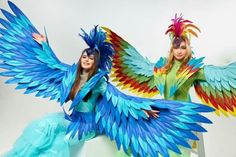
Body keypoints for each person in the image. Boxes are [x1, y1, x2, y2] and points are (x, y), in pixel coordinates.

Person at [0, 2, 214, 157]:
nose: (86, 59)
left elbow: (122, 100)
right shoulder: (70, 74)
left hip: (88, 125)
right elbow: (49, 62)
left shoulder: (100, 82)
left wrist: (144, 109)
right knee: (43, 126)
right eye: (85, 55)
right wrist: (44, 45)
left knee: (61, 143)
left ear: (96, 62)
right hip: (72, 118)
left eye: (91, 57)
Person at [103, 14, 236, 157]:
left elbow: (225, 75)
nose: (179, 50)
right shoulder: (161, 68)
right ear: (171, 49)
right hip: (164, 114)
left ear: (188, 49)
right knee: (134, 148)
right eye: (176, 47)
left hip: (183, 116)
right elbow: (133, 67)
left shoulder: (194, 69)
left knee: (175, 153)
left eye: (183, 47)